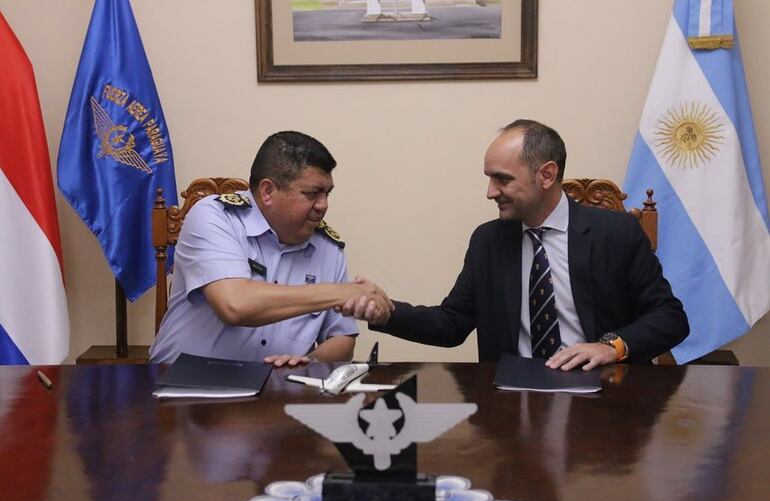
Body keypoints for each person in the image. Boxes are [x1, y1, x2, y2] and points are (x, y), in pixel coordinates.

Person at [346, 119, 689, 370]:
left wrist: (611, 348)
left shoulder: (615, 233)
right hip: (512, 401)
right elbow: (451, 325)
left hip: (601, 393)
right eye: (489, 179)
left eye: (503, 179)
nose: (490, 192)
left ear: (547, 175)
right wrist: (387, 311)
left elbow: (670, 318)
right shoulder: (489, 241)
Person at [150, 131, 392, 366]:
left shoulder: (327, 247)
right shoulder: (215, 217)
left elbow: (342, 338)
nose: (323, 205)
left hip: (276, 392)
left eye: (327, 193)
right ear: (267, 191)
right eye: (312, 194)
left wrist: (308, 362)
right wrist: (340, 293)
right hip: (185, 387)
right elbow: (235, 304)